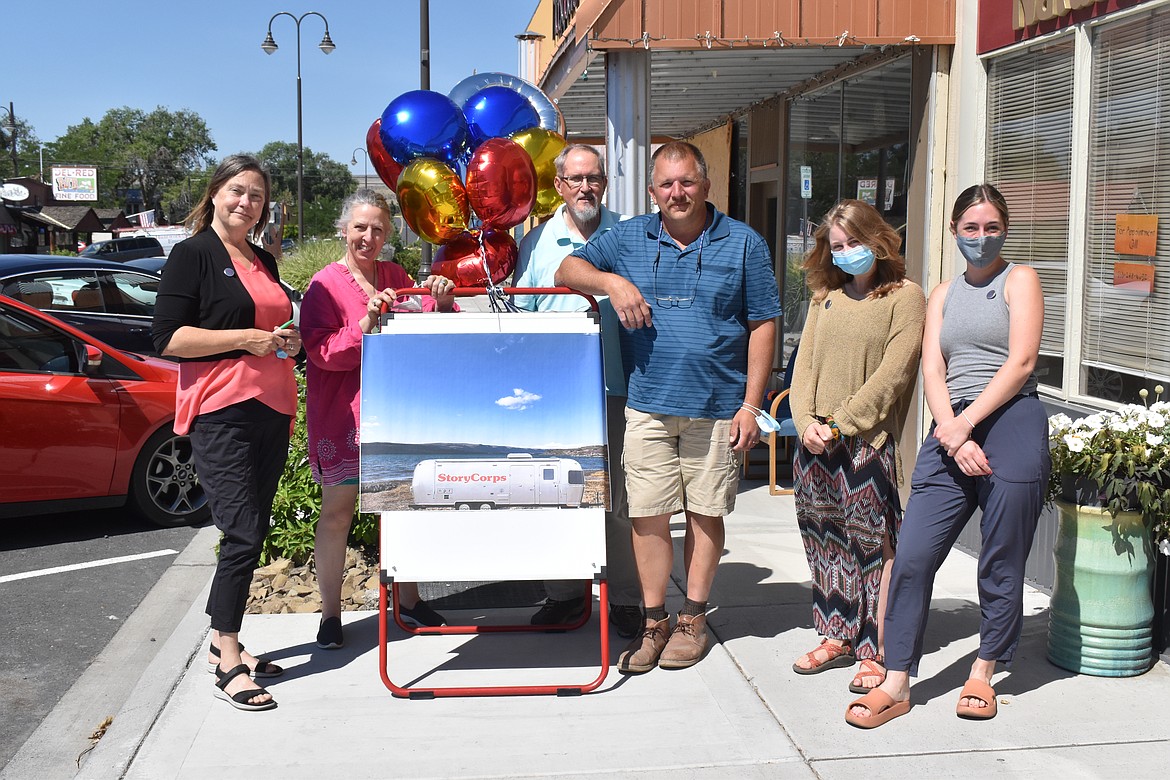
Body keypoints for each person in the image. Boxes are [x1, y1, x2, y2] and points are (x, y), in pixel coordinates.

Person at [555, 141, 781, 672]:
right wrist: (612, 281)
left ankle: (693, 619)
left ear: (704, 185)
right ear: (652, 190)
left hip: (718, 408)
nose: (676, 193)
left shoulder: (744, 243)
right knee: (648, 515)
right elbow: (568, 269)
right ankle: (655, 621)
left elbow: (764, 323)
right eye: (666, 184)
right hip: (648, 405)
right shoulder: (630, 237)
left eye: (686, 182)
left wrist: (752, 405)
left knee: (706, 514)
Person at [846, 183, 1049, 728]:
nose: (981, 238)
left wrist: (965, 424)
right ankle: (896, 680)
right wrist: (951, 431)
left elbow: (1022, 362)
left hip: (1010, 417)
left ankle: (984, 669)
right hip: (951, 424)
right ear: (954, 232)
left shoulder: (1020, 280)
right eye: (970, 229)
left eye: (991, 228)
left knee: (1000, 558)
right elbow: (933, 368)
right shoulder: (942, 294)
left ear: (1004, 229)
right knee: (912, 557)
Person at [152, 154, 300, 712]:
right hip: (221, 410)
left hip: (272, 405)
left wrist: (286, 340)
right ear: (215, 193)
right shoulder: (193, 254)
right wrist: (247, 339)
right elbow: (166, 338)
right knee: (239, 532)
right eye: (237, 191)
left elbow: (270, 323)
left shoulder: (260, 257)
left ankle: (223, 641)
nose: (246, 203)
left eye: (257, 196)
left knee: (253, 528)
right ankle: (228, 653)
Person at [299, 189, 457, 650]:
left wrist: (442, 299)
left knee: (402, 511)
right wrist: (367, 320)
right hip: (343, 419)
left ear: (389, 234)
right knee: (336, 515)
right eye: (361, 227)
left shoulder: (396, 275)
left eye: (379, 228)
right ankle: (330, 615)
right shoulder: (324, 284)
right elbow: (324, 353)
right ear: (344, 229)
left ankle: (408, 601)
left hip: (396, 414)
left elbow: (426, 322)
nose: (369, 236)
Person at [787, 200, 925, 693]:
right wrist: (804, 421)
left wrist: (841, 423)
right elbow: (802, 369)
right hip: (814, 443)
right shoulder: (825, 297)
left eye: (854, 243)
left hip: (865, 441)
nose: (846, 253)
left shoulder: (905, 297)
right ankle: (835, 634)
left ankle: (877, 648)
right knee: (823, 542)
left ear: (878, 240)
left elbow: (894, 374)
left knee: (874, 547)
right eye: (837, 246)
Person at [511, 144, 643, 639]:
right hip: (556, 394)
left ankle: (627, 600)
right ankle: (565, 596)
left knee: (622, 499)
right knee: (557, 492)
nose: (586, 187)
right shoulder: (539, 241)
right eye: (576, 179)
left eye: (594, 178)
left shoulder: (630, 234)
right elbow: (523, 313)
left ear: (604, 184)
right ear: (560, 186)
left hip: (619, 387)